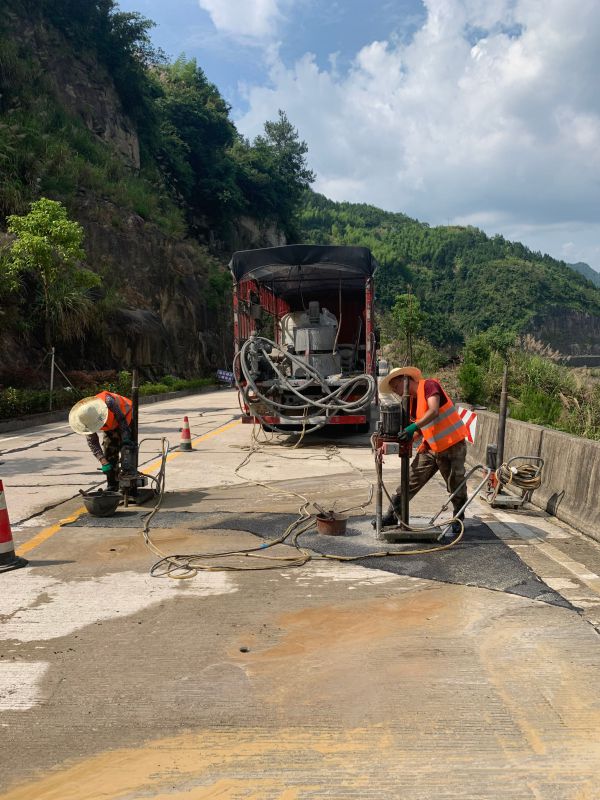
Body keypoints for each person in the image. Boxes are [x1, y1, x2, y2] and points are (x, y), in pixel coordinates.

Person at [378, 366, 469, 533]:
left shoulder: (429, 386)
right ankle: (392, 514)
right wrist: (406, 438)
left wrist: (412, 427)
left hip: (452, 445)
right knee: (410, 480)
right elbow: (421, 426)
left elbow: (433, 411)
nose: (397, 392)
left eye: (396, 387)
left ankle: (458, 517)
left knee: (455, 483)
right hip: (431, 448)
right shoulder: (410, 402)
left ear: (405, 380)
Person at [68, 391, 133, 491]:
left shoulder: (108, 402)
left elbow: (121, 420)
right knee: (109, 451)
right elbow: (92, 442)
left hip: (126, 416)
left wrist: (126, 439)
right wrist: (103, 461)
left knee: (128, 453)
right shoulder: (85, 418)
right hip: (110, 424)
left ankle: (130, 485)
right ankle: (113, 485)